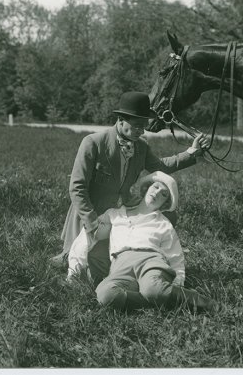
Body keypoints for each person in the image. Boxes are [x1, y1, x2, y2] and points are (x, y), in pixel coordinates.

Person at [50, 91, 209, 283]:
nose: (141, 132)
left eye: (144, 126)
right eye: (137, 126)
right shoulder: (93, 142)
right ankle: (68, 256)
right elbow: (77, 188)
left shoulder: (140, 146)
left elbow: (160, 167)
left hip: (120, 215)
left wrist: (191, 152)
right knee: (83, 268)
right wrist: (92, 223)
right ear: (121, 119)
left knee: (163, 220)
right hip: (90, 215)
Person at [70, 171, 216, 312]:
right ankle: (158, 301)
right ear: (147, 188)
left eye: (164, 194)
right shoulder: (115, 214)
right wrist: (75, 267)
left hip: (150, 261)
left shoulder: (163, 223)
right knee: (105, 295)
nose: (157, 193)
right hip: (120, 264)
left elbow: (175, 255)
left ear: (165, 204)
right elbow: (90, 233)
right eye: (156, 187)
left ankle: (205, 303)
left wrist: (179, 280)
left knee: (153, 288)